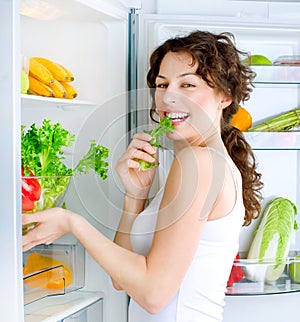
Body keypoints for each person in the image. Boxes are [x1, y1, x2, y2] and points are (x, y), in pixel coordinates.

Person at [22, 30, 263, 322]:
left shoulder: (199, 163)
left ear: (224, 96)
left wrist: (73, 222)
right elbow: (122, 281)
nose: (169, 96)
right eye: (162, 85)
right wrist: (134, 197)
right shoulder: (200, 161)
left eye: (188, 84)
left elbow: (153, 295)